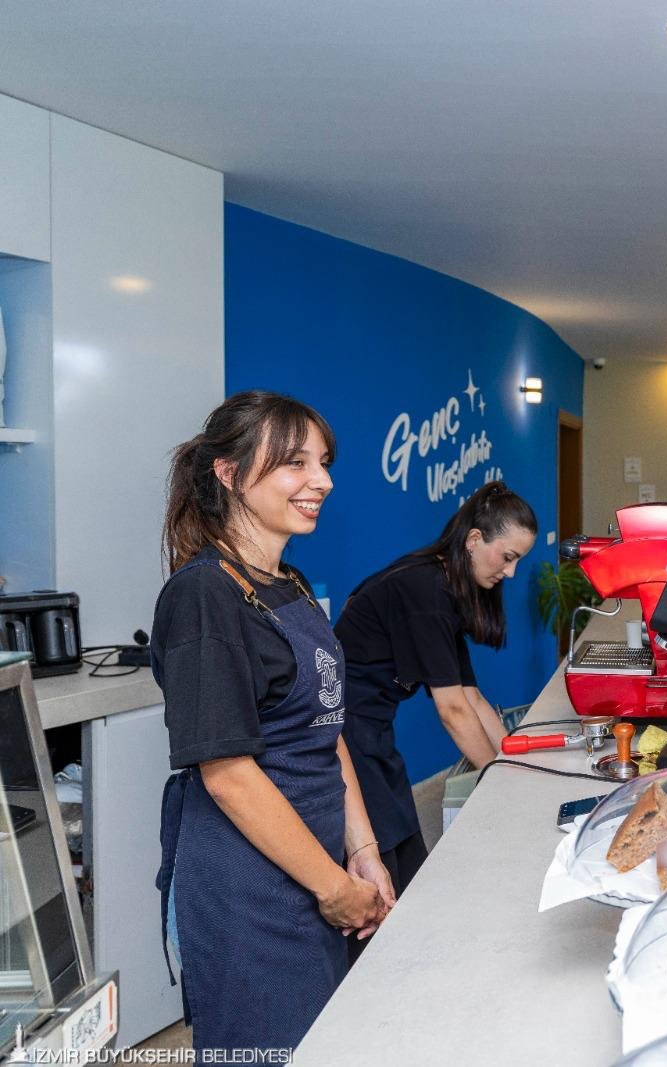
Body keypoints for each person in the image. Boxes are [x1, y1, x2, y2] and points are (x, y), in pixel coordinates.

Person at [152, 391, 392, 1054]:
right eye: (296, 463)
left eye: (323, 462)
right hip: (248, 892)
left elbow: (326, 729)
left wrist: (362, 852)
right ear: (229, 473)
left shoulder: (289, 581)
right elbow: (227, 773)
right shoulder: (205, 594)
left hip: (316, 867)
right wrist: (334, 887)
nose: (323, 481)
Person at [336, 481, 536, 925]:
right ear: (474, 539)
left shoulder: (444, 588)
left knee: (407, 838)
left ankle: (409, 930)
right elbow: (452, 710)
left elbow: (472, 697)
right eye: (508, 557)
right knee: (384, 852)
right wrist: (499, 781)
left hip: (373, 725)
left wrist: (514, 766)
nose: (511, 573)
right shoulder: (425, 591)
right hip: (344, 731)